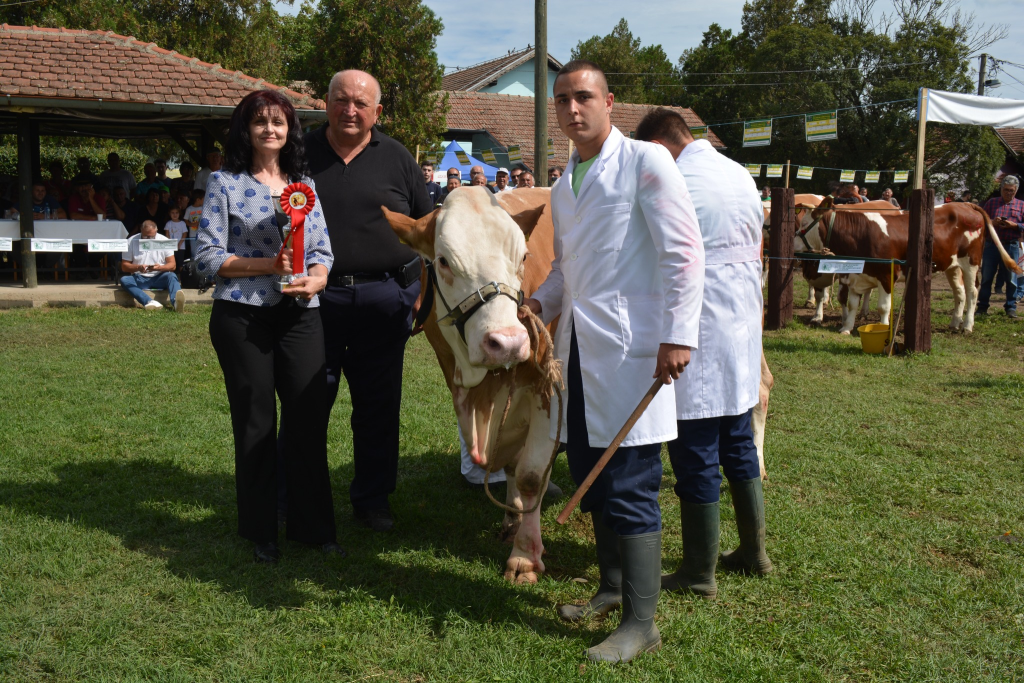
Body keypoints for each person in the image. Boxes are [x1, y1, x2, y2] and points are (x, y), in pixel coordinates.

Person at [525, 60, 704, 663]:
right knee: (590, 473)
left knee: (629, 481)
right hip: (578, 351)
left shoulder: (645, 161)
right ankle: (610, 586)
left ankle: (641, 623)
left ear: (609, 102)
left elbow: (684, 251)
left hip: (634, 352)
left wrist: (678, 335)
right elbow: (564, 270)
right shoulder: (563, 183)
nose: (572, 109)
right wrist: (537, 304)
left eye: (583, 96)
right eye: (562, 100)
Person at [195, 89, 342, 564]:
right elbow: (206, 257)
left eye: (278, 122)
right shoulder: (224, 182)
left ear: (289, 130)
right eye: (260, 121)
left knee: (308, 421)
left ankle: (314, 528)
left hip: (301, 314)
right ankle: (261, 531)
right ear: (245, 129)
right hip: (243, 315)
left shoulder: (304, 184)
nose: (270, 130)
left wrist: (317, 278)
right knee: (256, 423)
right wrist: (267, 265)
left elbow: (321, 251)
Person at [636, 107, 770, 602]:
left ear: (659, 146)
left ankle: (698, 571)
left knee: (695, 451)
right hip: (740, 322)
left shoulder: (676, 179)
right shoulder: (738, 173)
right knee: (737, 441)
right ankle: (754, 551)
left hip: (699, 324)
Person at [299, 69, 433, 533]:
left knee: (378, 405)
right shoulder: (298, 154)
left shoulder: (397, 157)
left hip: (385, 299)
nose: (350, 110)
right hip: (315, 299)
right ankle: (295, 495)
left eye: (361, 103)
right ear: (326, 104)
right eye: (341, 100)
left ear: (377, 111)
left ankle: (373, 500)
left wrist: (421, 293)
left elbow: (427, 229)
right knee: (306, 399)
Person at [977, 176, 1024, 319]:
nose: (1008, 193)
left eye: (1011, 190)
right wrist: (992, 222)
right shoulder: (992, 203)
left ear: (1016, 190)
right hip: (992, 245)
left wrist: (1015, 225)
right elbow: (981, 220)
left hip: (1011, 245)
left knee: (1011, 279)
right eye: (1006, 190)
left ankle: (1010, 307)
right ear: (1001, 189)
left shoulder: (1021, 205)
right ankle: (982, 307)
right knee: (986, 278)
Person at [119, 219, 184, 311]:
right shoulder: (131, 241)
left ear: (156, 231)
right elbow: (124, 266)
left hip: (159, 276)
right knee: (124, 280)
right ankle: (149, 302)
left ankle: (176, 302)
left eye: (152, 236)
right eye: (145, 236)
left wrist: (160, 268)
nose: (148, 239)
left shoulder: (164, 241)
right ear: (141, 230)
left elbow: (172, 265)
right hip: (139, 277)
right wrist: (138, 267)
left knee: (172, 276)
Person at [164, 205, 188, 274]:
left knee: (180, 263)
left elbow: (184, 234)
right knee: (171, 262)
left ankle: (181, 277)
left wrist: (179, 244)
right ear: (169, 214)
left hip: (181, 247)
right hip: (171, 247)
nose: (175, 215)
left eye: (176, 213)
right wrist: (171, 244)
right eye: (173, 213)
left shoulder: (182, 223)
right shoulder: (168, 223)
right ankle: (171, 276)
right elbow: (167, 234)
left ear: (179, 213)